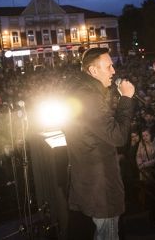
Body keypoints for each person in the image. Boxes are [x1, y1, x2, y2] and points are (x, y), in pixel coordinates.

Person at [64, 48, 135, 240]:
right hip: (101, 187)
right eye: (109, 66)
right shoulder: (89, 97)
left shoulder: (81, 91)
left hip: (89, 183)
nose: (113, 71)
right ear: (93, 71)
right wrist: (126, 99)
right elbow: (118, 136)